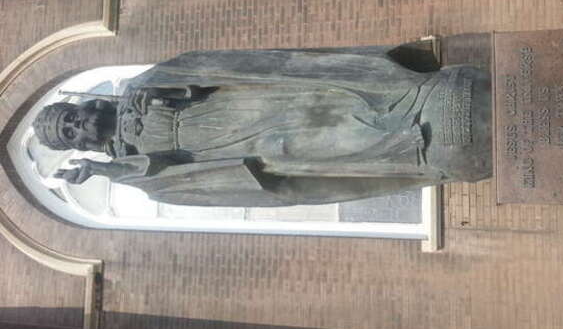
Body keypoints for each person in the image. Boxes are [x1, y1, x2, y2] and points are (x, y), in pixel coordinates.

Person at [33, 42, 491, 207]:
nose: (79, 128)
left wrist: (166, 89)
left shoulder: (139, 88)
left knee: (323, 104)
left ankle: (413, 98)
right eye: (71, 136)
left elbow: (205, 69)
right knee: (314, 146)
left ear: (86, 105)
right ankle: (413, 146)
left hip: (247, 104)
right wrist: (105, 171)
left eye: (70, 118)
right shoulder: (125, 164)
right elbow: (166, 180)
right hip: (238, 152)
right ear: (83, 149)